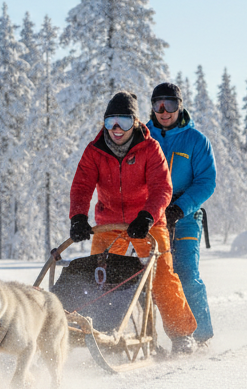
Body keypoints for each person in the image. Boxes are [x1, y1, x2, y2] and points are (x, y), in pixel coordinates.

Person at [68, 91, 198, 354]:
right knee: (101, 278)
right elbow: (82, 186)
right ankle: (103, 333)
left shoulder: (150, 148)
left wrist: (148, 215)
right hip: (109, 223)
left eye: (124, 122)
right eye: (110, 122)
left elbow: (163, 187)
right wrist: (78, 217)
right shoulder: (95, 151)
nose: (116, 129)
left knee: (161, 277)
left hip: (148, 223)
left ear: (136, 122)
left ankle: (182, 334)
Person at [146, 82, 216, 346]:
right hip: (150, 214)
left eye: (171, 105)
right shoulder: (143, 136)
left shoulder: (196, 140)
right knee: (145, 274)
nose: (164, 111)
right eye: (158, 105)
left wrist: (179, 207)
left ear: (180, 106)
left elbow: (206, 181)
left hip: (183, 216)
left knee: (185, 272)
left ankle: (199, 336)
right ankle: (147, 337)